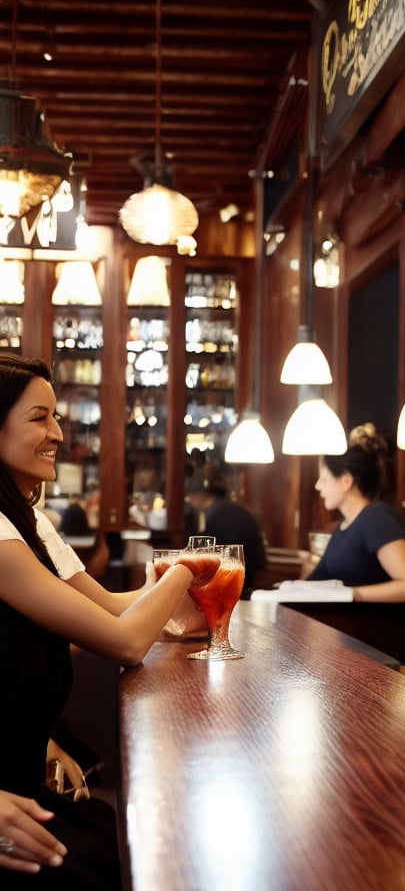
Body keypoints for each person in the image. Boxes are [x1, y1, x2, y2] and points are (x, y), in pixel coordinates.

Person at [0, 354, 218, 887]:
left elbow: (111, 609)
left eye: (56, 418)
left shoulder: (26, 520)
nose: (58, 433)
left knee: (113, 841)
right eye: (39, 418)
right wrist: (185, 571)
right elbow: (124, 641)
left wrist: (168, 608)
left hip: (21, 787)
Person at [306, 424, 405, 604]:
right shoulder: (343, 527)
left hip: (379, 628)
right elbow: (311, 584)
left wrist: (349, 594)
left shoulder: (375, 518)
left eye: (323, 479)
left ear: (346, 481)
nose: (317, 486)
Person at [186, 465, 268, 596]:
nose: (189, 500)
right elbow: (259, 563)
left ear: (200, 494)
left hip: (226, 589)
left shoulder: (211, 516)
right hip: (247, 583)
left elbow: (210, 564)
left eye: (189, 495)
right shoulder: (238, 510)